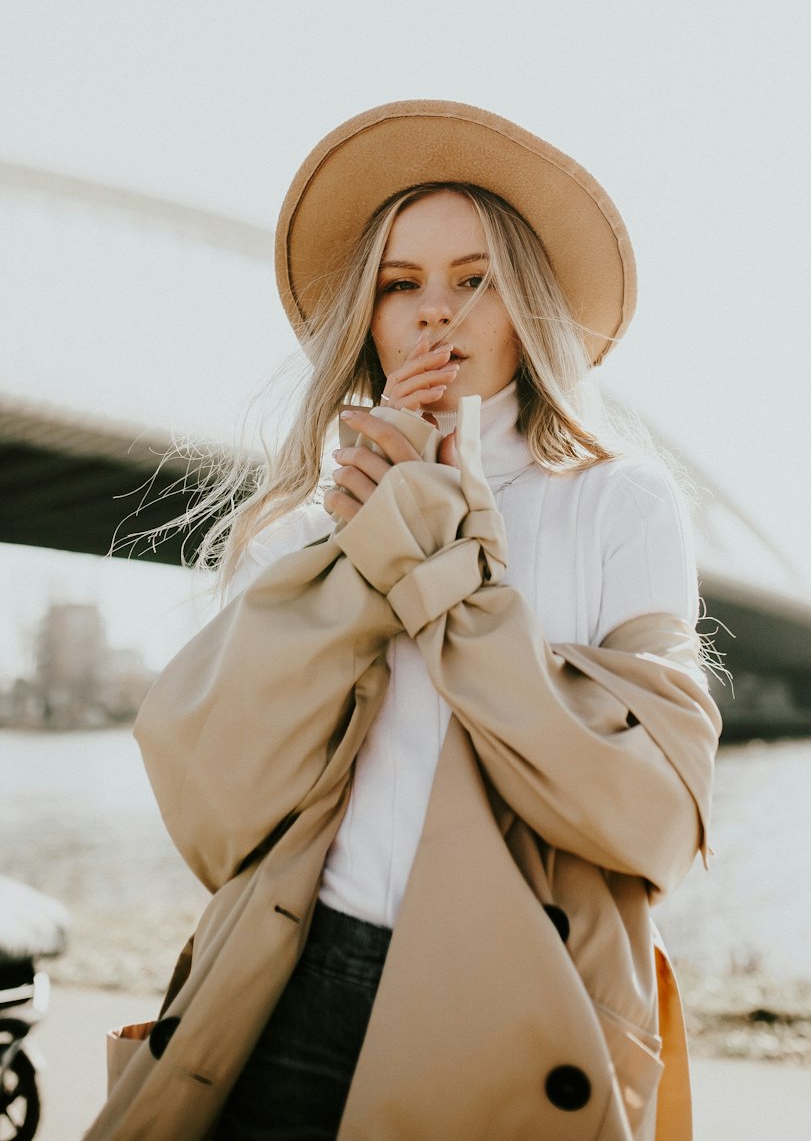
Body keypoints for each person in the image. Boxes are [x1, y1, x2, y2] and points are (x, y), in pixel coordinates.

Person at [86, 100, 722, 1141]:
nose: (439, 314)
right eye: (401, 285)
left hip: (514, 997)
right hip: (285, 984)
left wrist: (433, 556)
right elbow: (214, 806)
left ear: (529, 303)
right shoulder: (300, 534)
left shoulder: (618, 501)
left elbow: (647, 817)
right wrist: (353, 561)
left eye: (476, 279)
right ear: (367, 317)